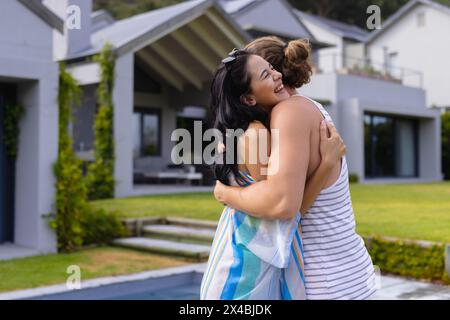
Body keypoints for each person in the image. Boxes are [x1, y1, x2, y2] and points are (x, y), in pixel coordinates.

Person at [214, 37, 377, 300]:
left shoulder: (289, 112)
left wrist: (224, 193)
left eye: (266, 70)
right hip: (347, 272)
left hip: (325, 281)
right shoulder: (310, 108)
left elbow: (283, 207)